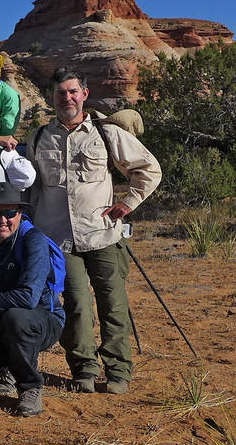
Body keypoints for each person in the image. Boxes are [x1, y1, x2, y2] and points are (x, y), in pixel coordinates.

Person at [27, 68, 161, 394]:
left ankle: (118, 371)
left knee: (113, 304)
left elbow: (148, 168)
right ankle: (83, 370)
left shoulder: (105, 132)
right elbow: (30, 189)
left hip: (102, 234)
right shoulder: (39, 138)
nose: (67, 98)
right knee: (75, 305)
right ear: (52, 97)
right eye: (61, 93)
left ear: (84, 94)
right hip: (59, 239)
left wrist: (128, 203)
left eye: (73, 92)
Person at [0, 182, 63, 416]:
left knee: (16, 318)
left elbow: (28, 297)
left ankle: (29, 386)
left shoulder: (33, 240)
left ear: (20, 214)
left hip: (39, 320)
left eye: (10, 213)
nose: (2, 220)